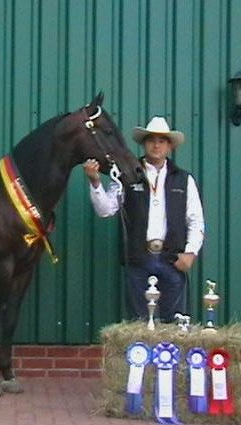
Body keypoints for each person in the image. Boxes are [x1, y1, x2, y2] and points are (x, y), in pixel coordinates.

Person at [83, 116, 204, 323]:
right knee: (138, 324)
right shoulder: (127, 174)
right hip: (138, 259)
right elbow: (105, 210)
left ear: (169, 146)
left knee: (173, 324)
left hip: (172, 259)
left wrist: (191, 253)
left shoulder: (184, 179)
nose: (156, 145)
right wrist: (95, 182)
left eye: (162, 141)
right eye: (151, 140)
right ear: (144, 143)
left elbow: (195, 220)